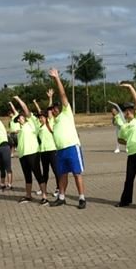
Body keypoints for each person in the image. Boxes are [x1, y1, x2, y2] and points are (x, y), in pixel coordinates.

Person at [46, 67, 86, 208]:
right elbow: (48, 111)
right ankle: (61, 197)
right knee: (62, 174)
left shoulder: (66, 113)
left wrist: (57, 78)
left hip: (72, 147)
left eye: (56, 107)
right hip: (60, 150)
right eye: (53, 108)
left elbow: (63, 95)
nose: (54, 109)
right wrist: (50, 99)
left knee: (76, 173)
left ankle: (81, 198)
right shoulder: (54, 121)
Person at [11, 95, 49, 204]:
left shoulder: (31, 123)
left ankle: (44, 196)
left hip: (33, 153)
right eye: (18, 119)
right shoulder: (20, 130)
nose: (19, 119)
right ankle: (28, 195)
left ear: (25, 117)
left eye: (20, 117)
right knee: (27, 175)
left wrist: (18, 99)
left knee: (38, 174)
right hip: (23, 155)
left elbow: (26, 109)